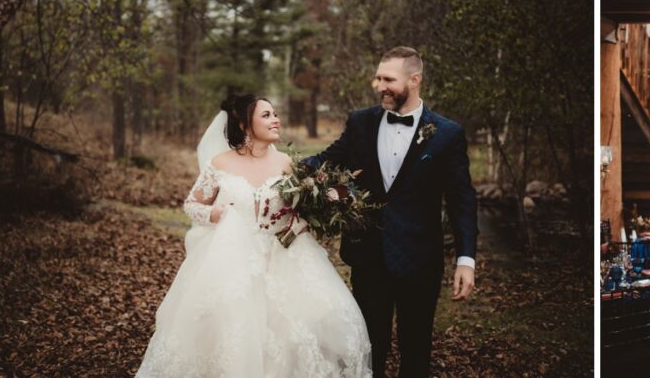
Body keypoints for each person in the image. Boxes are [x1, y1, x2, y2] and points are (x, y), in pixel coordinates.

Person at [137, 93, 373, 376]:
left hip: (283, 258)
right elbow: (192, 203)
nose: (276, 120)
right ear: (246, 124)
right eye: (267, 115)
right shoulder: (220, 163)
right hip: (232, 261)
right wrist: (214, 214)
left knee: (291, 334)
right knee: (235, 331)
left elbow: (300, 208)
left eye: (275, 114)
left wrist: (315, 214)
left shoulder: (287, 164)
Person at [302, 47, 480, 378]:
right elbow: (326, 160)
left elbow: (462, 200)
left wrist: (465, 259)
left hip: (420, 260)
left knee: (416, 350)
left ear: (414, 80)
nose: (379, 85)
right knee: (369, 349)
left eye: (388, 79)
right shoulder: (360, 123)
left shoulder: (447, 134)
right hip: (368, 255)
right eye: (378, 78)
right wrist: (275, 167)